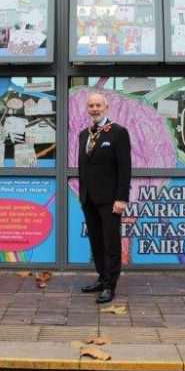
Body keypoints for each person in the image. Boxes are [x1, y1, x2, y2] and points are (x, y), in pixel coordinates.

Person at [77, 92, 132, 304]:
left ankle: (111, 285)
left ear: (106, 107)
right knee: (96, 241)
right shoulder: (84, 134)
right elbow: (84, 166)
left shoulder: (118, 132)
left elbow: (124, 169)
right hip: (89, 198)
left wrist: (121, 198)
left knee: (111, 243)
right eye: (91, 105)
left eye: (98, 105)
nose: (94, 109)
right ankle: (102, 277)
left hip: (110, 200)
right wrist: (83, 194)